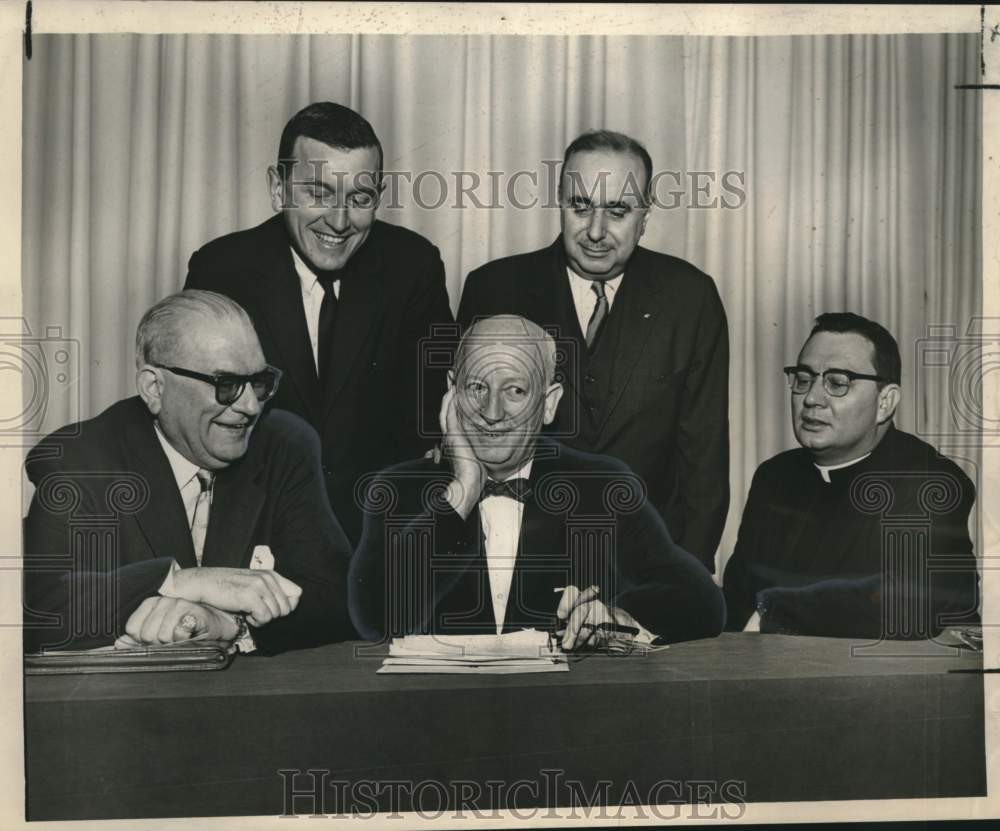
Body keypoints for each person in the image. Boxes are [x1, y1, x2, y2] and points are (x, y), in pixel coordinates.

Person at [348, 315, 725, 646]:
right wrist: (461, 493)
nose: (492, 412)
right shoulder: (399, 488)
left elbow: (700, 600)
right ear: (452, 391)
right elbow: (375, 621)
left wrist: (616, 616)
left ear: (548, 403)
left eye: (515, 390)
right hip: (438, 714)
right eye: (477, 387)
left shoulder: (599, 485)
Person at [23, 291, 354, 654]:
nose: (250, 406)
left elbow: (337, 596)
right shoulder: (81, 462)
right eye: (225, 385)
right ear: (155, 388)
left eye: (258, 382)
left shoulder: (284, 445)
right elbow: (39, 607)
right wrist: (181, 582)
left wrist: (231, 625)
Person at [457, 130, 729, 571]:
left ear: (645, 215)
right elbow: (464, 440)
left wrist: (684, 583)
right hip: (518, 565)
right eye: (580, 207)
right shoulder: (494, 289)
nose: (596, 232)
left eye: (618, 211)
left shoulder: (690, 297)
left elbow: (704, 463)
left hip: (644, 566)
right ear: (559, 202)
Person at [186, 101, 454, 545]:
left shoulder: (414, 267)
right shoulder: (221, 270)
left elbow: (434, 421)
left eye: (359, 198)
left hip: (380, 541)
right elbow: (197, 419)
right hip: (257, 537)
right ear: (279, 188)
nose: (339, 220)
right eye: (319, 193)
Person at [723, 313, 980, 639]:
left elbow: (907, 604)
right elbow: (737, 599)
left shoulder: (931, 481)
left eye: (837, 382)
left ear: (885, 402)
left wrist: (771, 613)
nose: (812, 399)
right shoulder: (775, 477)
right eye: (803, 379)